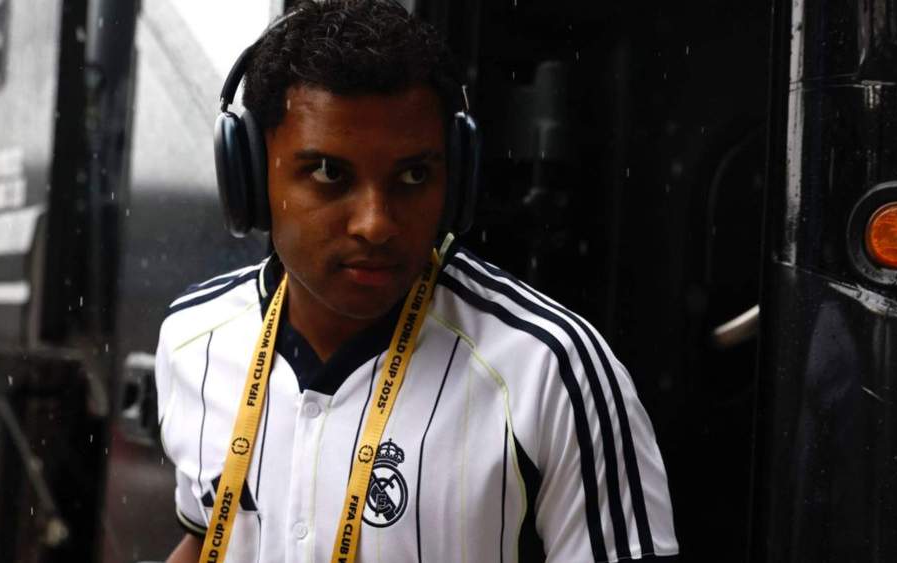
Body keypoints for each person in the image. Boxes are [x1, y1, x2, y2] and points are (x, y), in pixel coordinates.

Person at [155, 1, 678, 561]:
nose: (376, 224)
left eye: (413, 175)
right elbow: (207, 537)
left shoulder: (552, 372)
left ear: (455, 181)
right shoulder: (193, 339)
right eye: (330, 173)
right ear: (250, 177)